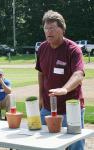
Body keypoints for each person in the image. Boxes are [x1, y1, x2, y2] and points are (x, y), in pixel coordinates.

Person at [35, 10, 85, 150]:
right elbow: (41, 73)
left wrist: (65, 89)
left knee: (75, 146)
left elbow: (78, 74)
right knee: (43, 145)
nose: (48, 31)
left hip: (71, 109)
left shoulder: (73, 50)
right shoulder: (42, 48)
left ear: (62, 29)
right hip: (47, 109)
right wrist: (40, 97)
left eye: (52, 28)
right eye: (46, 28)